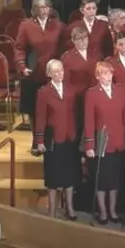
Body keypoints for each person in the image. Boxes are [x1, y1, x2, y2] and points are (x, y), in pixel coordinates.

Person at [84, 62, 125, 224]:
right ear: (97, 76)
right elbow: (89, 120)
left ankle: (113, 211)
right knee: (102, 180)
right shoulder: (92, 93)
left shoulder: (120, 91)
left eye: (109, 73)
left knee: (114, 179)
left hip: (118, 141)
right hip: (102, 143)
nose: (107, 77)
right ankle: (103, 211)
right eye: (103, 74)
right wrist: (90, 145)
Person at [35, 60, 79, 220]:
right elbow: (40, 117)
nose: (59, 74)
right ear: (49, 74)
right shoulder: (44, 92)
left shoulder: (70, 90)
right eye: (55, 72)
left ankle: (70, 208)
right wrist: (39, 141)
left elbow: (74, 113)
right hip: (53, 139)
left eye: (61, 70)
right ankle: (52, 211)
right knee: (53, 176)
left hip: (69, 137)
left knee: (69, 175)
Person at [14, 0, 64, 125]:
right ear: (34, 9)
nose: (43, 10)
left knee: (52, 112)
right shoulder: (25, 26)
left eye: (46, 7)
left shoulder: (59, 26)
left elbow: (64, 48)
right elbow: (19, 48)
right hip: (33, 74)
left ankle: (51, 143)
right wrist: (22, 67)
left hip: (52, 76)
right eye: (40, 7)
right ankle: (37, 143)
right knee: (34, 113)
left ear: (50, 8)